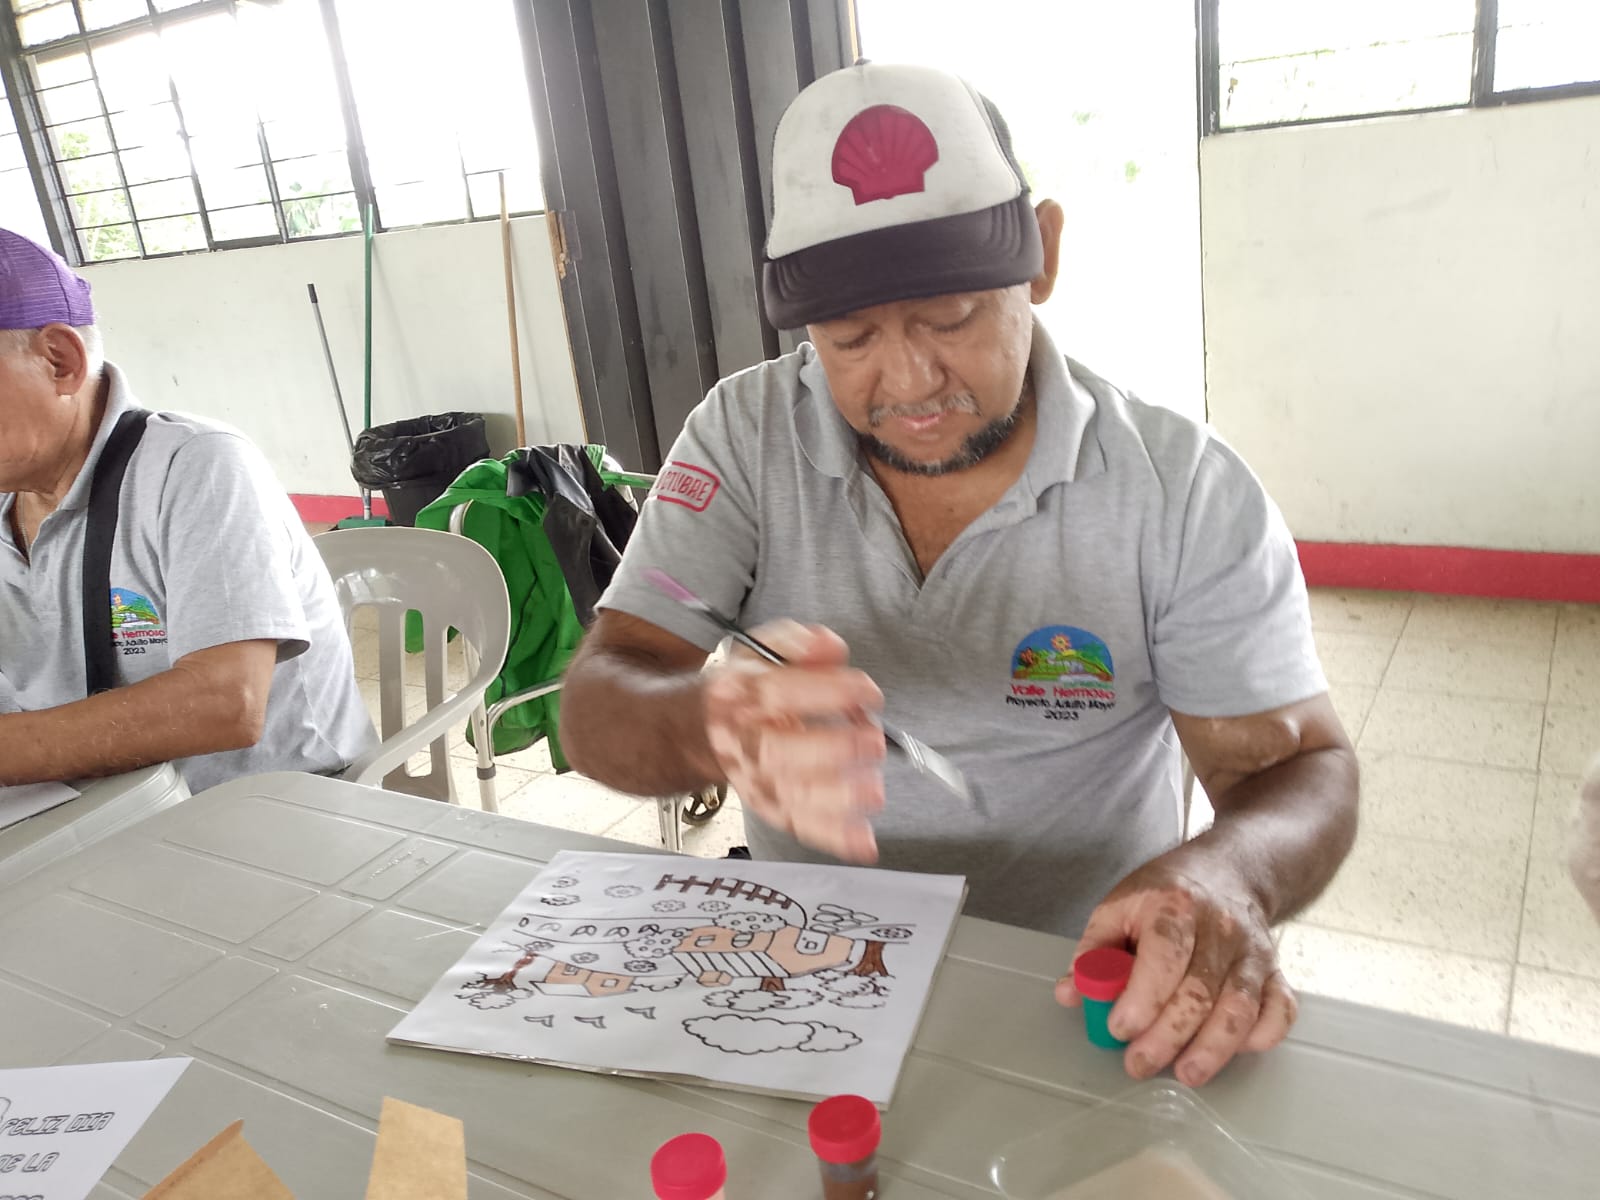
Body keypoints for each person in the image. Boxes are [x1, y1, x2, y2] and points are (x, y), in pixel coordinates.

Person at [558, 63, 1358, 1087]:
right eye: (850, 338)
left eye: (950, 318)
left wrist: (1230, 874)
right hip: (803, 970)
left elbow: (1300, 770)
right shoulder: (743, 438)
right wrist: (704, 725)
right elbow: (601, 695)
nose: (909, 381)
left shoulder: (1180, 489)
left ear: (1044, 255)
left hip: (1081, 988)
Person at [0, 227, 375, 793]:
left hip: (268, 806)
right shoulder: (12, 487)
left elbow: (224, 703)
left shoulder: (196, 465)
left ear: (60, 361)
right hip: (91, 802)